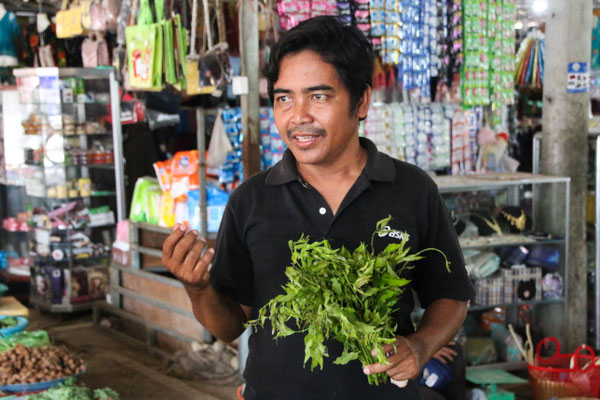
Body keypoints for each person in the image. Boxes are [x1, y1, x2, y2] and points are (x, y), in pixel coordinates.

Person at [162, 16, 474, 399]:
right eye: (284, 98)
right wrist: (198, 288)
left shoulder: (411, 189)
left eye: (319, 96)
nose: (298, 116)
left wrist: (421, 346)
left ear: (361, 101)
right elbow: (230, 326)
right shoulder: (251, 200)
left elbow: (451, 296)